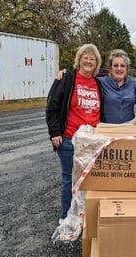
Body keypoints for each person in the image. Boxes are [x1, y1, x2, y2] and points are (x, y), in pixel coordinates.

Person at [46, 43, 103, 223]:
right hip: (70, 138)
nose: (88, 61)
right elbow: (52, 106)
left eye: (92, 59)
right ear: (79, 60)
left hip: (92, 140)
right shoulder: (67, 79)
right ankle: (66, 217)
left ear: (96, 63)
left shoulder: (98, 83)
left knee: (90, 180)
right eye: (85, 57)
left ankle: (85, 216)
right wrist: (55, 132)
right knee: (68, 179)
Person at [57, 49, 136, 124]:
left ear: (127, 68)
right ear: (110, 68)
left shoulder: (135, 84)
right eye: (115, 65)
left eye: (122, 66)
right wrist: (66, 74)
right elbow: (83, 77)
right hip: (106, 130)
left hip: (128, 129)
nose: (119, 68)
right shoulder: (100, 82)